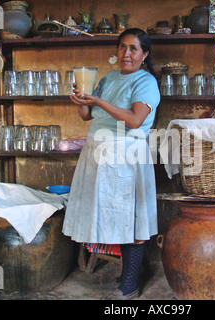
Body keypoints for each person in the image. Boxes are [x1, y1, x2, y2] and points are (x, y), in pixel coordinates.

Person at [62, 28, 160, 300]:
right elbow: (87, 116)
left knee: (132, 218)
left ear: (144, 55)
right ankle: (133, 272)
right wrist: (82, 101)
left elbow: (134, 120)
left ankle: (129, 283)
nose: (126, 53)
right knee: (108, 215)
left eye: (133, 49)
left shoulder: (146, 82)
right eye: (122, 47)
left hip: (126, 156)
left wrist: (98, 100)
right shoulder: (108, 77)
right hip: (98, 154)